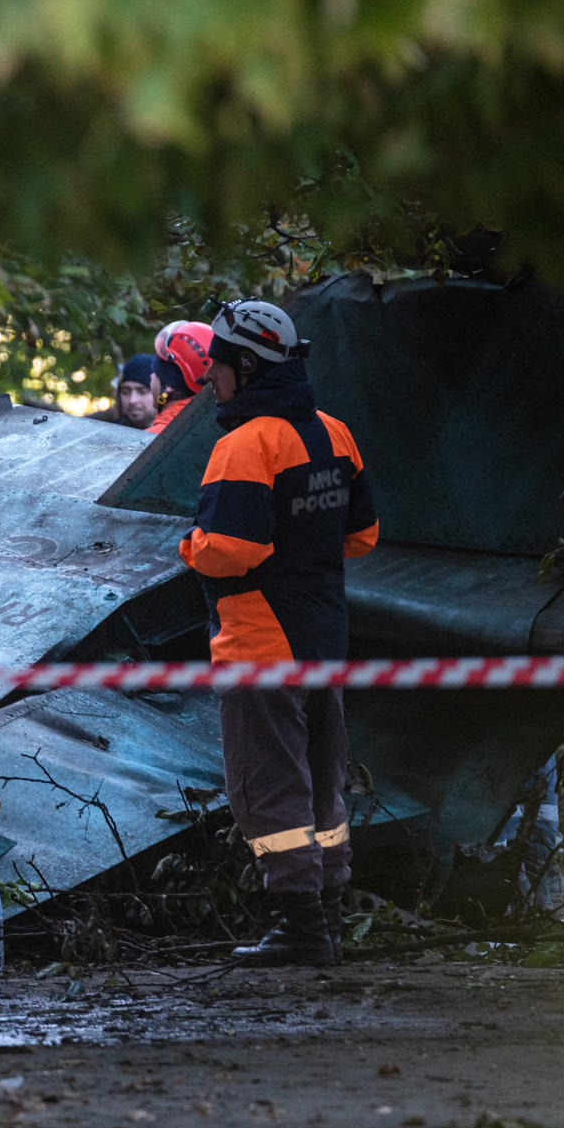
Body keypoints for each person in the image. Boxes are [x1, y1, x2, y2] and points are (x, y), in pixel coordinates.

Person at [178, 300, 379, 966]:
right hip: (324, 635)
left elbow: (231, 545)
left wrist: (190, 547)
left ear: (246, 364)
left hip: (260, 645)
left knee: (268, 787)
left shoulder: (243, 445)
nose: (209, 378)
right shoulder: (335, 434)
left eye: (216, 366)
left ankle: (300, 926)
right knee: (324, 781)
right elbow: (362, 536)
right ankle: (327, 918)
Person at [146, 320, 213, 434]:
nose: (151, 376)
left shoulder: (152, 440)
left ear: (169, 386)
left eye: (156, 372)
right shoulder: (214, 429)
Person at [94, 352, 158, 428]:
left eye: (142, 392)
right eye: (126, 392)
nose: (132, 400)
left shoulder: (174, 434)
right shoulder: (109, 433)